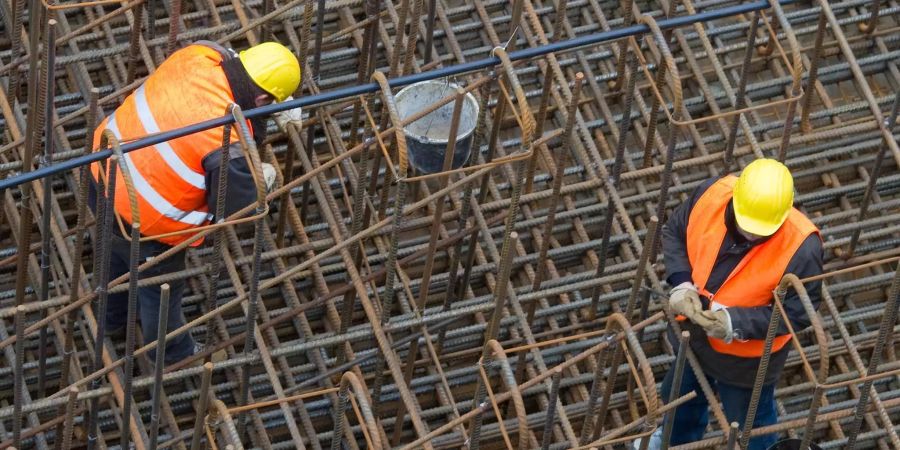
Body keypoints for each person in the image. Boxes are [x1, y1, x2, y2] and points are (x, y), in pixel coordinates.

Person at [89, 40, 302, 367]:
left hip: (100, 170)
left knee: (113, 259)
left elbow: (222, 53)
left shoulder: (197, 56)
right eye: (269, 103)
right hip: (147, 224)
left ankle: (110, 321)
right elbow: (236, 209)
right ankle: (172, 357)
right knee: (160, 291)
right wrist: (263, 180)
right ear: (261, 99)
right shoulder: (224, 139)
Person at [636, 159, 823, 450]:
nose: (750, 235)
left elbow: (798, 312)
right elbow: (675, 231)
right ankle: (675, 444)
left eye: (759, 231)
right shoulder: (710, 195)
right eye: (746, 224)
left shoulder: (802, 247)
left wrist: (734, 323)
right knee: (679, 398)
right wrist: (682, 282)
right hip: (693, 336)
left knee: (751, 425)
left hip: (746, 361)